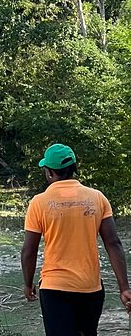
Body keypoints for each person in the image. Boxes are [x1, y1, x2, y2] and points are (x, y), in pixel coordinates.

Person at [21, 143, 131, 335]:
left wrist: (28, 284)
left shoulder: (39, 203)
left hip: (55, 289)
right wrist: (124, 288)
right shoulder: (97, 198)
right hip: (91, 289)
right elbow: (113, 243)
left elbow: (29, 251)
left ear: (49, 172)